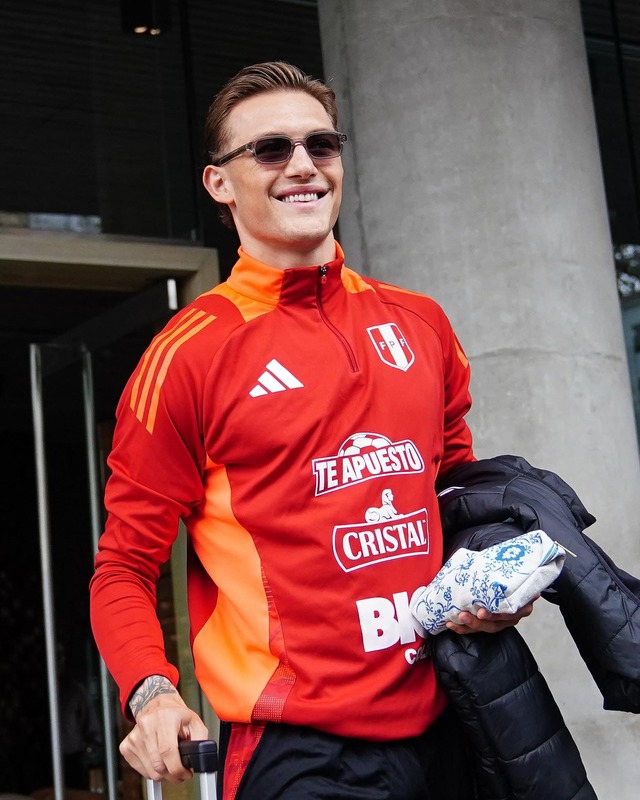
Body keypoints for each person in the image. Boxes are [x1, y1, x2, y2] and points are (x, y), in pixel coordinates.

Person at [89, 61, 535, 800]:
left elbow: (459, 501)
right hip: (300, 753)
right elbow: (123, 567)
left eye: (320, 145)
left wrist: (494, 583)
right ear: (219, 185)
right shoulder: (189, 354)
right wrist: (151, 691)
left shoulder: (420, 322)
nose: (303, 166)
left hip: (452, 715)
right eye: (270, 150)